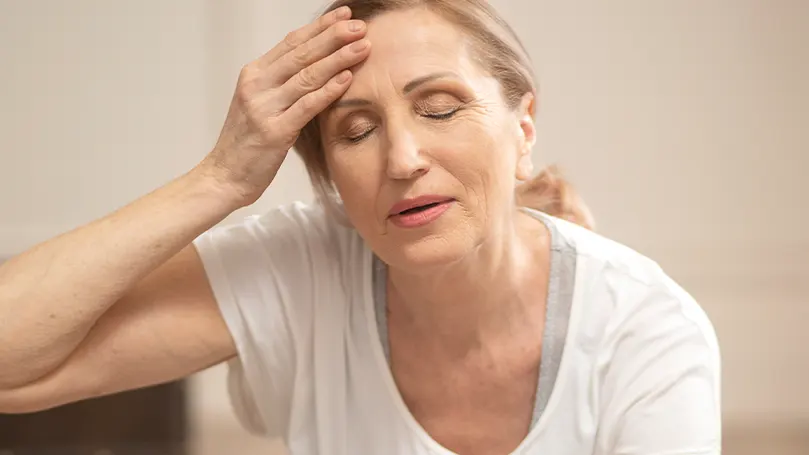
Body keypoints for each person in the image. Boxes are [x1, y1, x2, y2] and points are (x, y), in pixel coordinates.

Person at [0, 0, 720, 454]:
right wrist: (218, 178)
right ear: (329, 179)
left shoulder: (647, 333)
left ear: (522, 126)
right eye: (356, 130)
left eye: (439, 107)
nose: (403, 159)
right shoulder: (300, 264)